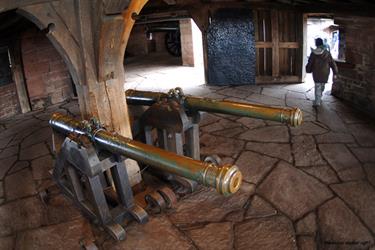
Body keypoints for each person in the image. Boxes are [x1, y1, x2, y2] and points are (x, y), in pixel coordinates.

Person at [306, 37, 338, 107]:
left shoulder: (313, 53)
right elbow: (332, 63)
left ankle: (317, 101)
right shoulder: (327, 53)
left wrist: (308, 69)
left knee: (317, 86)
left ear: (316, 44)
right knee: (322, 85)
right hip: (325, 72)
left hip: (316, 72)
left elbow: (310, 62)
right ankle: (319, 98)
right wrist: (335, 72)